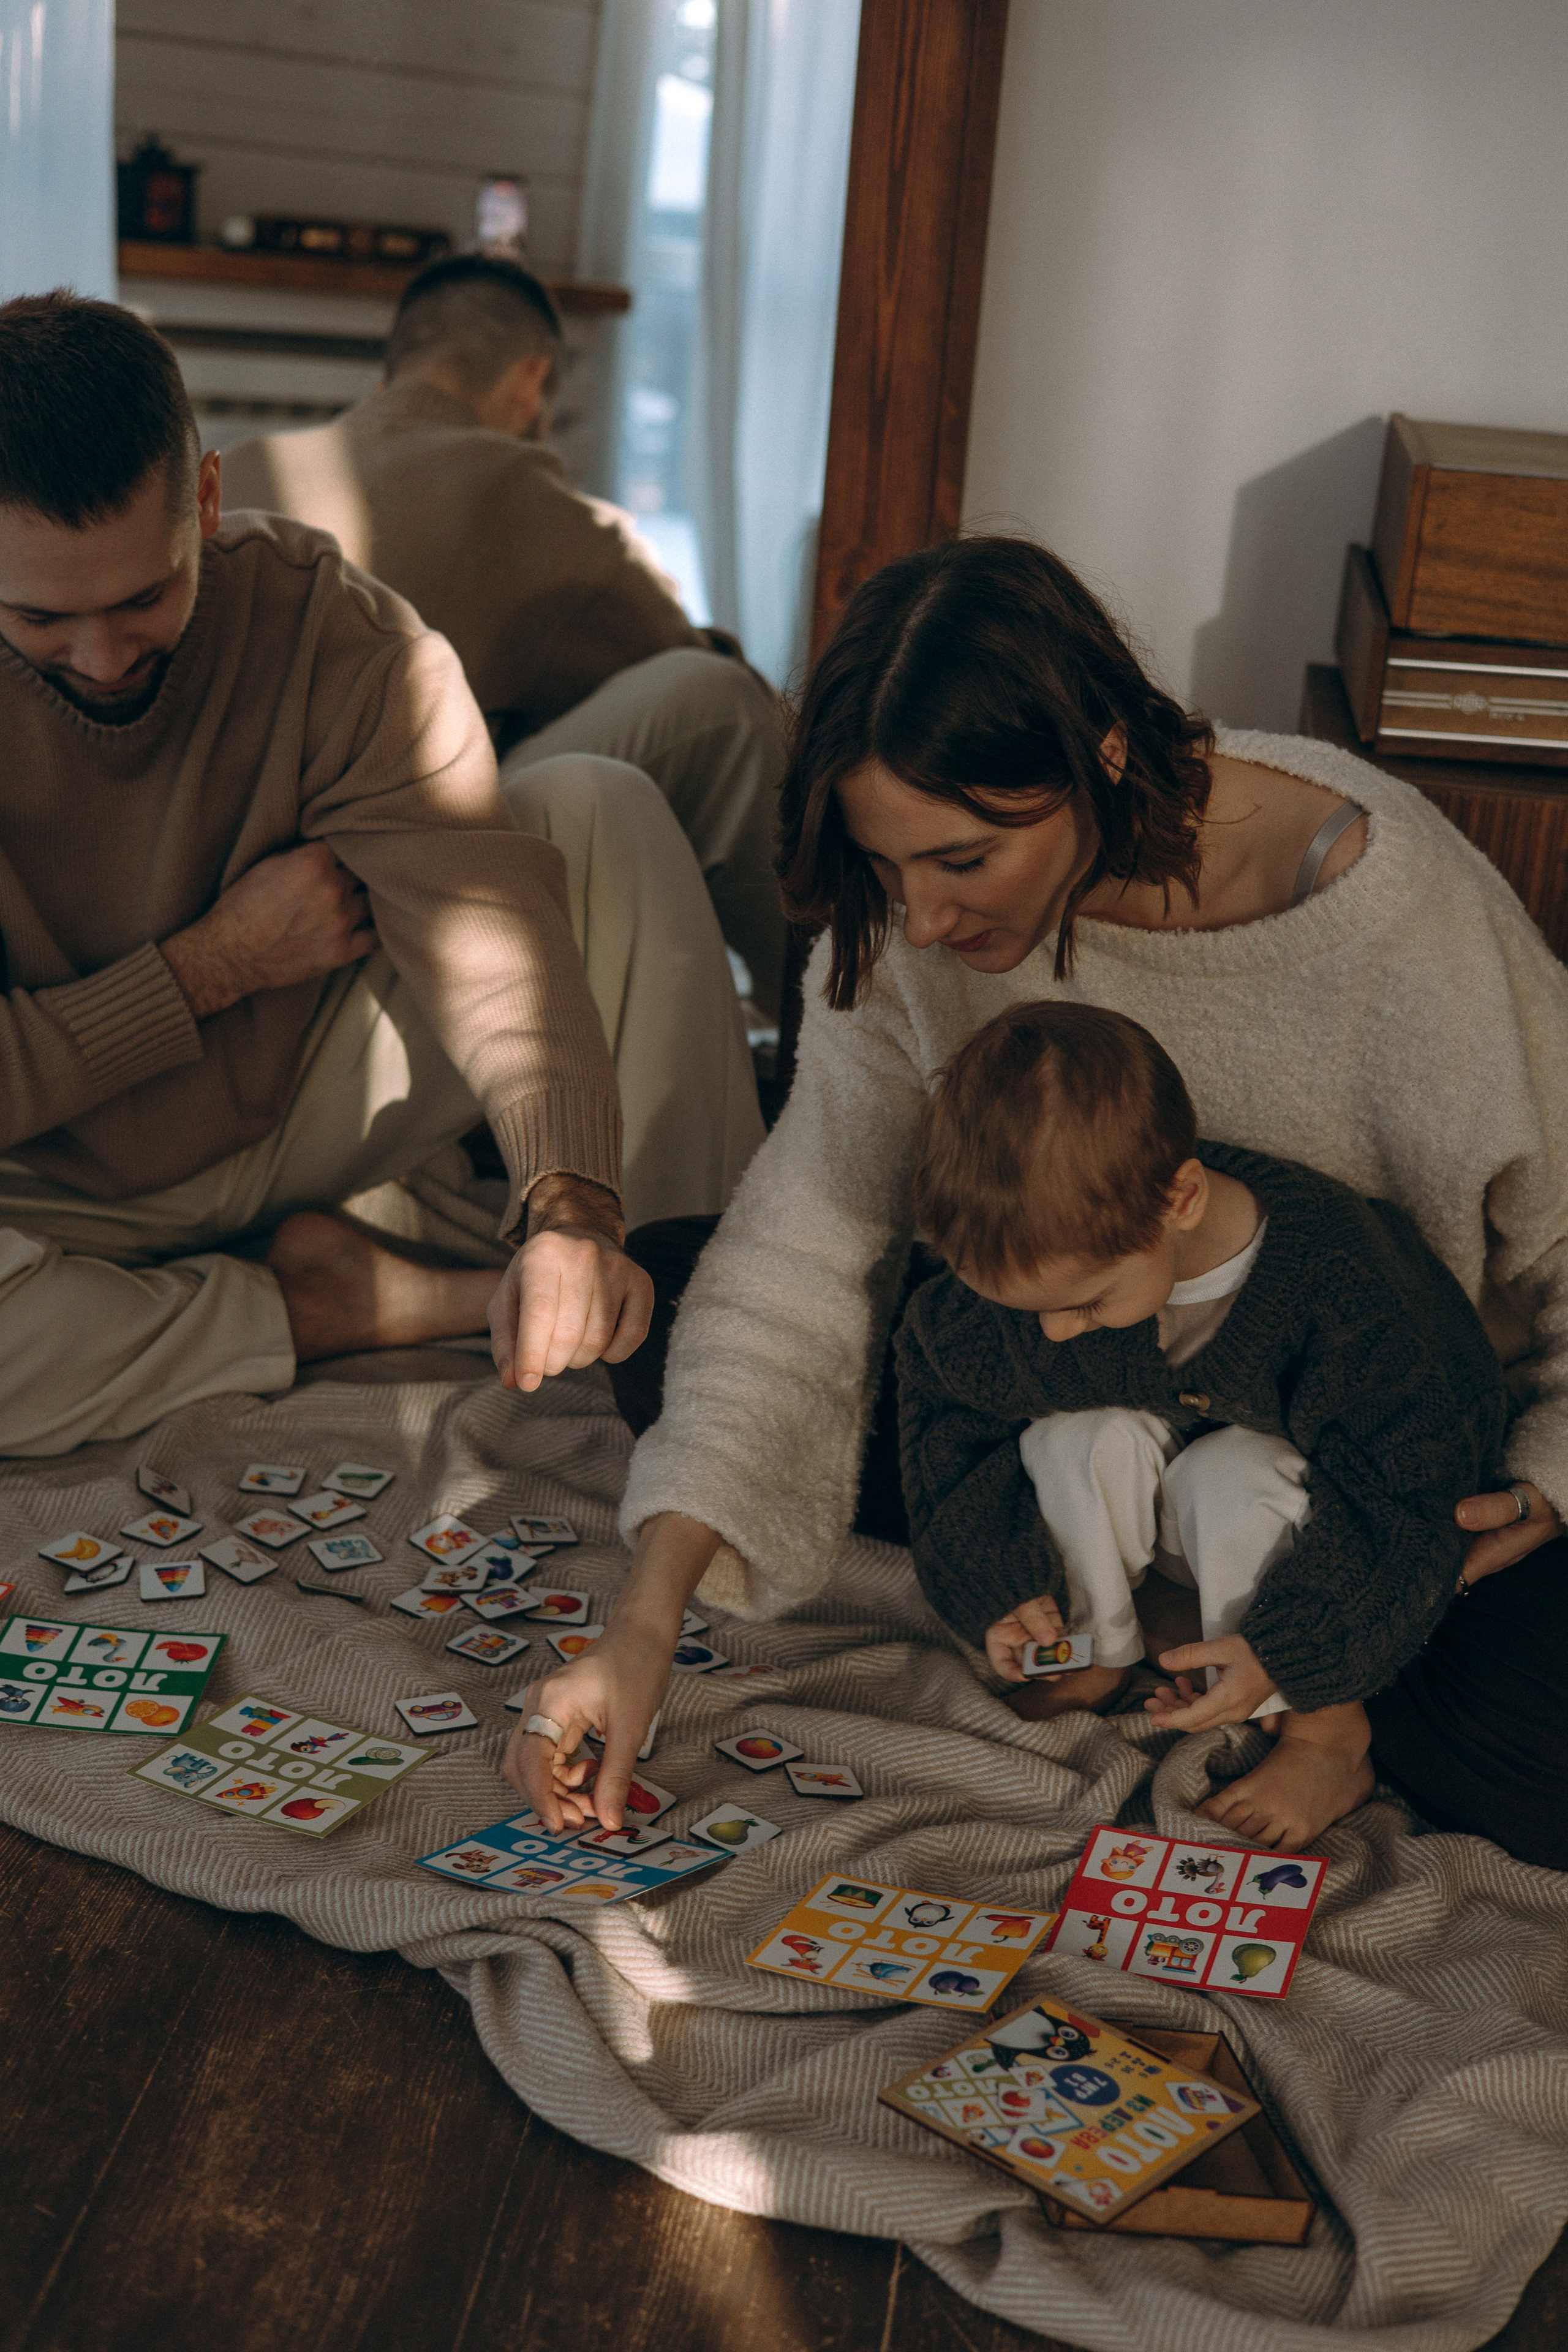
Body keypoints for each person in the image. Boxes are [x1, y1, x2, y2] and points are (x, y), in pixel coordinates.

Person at [508, 533, 1568, 1874]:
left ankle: (1285, 1651)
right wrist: (641, 1630)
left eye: (960, 861)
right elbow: (808, 1242)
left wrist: (1548, 1468)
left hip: (1361, 1445)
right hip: (1059, 1372)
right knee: (681, 1298)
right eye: (887, 870)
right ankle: (1098, 1595)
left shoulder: (1392, 911)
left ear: (1100, 762)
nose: (924, 920)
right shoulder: (906, 920)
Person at [0, 287, 748, 1452]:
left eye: (146, 596)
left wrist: (570, 1201)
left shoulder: (333, 628)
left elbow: (488, 928)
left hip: (299, 1104)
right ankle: (329, 1301)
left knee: (593, 809)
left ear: (206, 499)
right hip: (44, 1174)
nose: (100, 655)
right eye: (41, 618)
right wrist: (206, 969)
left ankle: (709, 1323)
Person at [895, 1000, 1512, 1849]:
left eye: (1083, 1304)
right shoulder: (1052, 1254)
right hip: (1166, 1532)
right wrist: (1000, 1579)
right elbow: (946, 1401)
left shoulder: (1343, 1283)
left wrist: (1295, 1651)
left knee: (1234, 1478)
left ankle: (1329, 1732)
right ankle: (1095, 1649)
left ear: (1179, 1200)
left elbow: (1407, 1486)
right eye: (1030, 1311)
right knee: (1072, 1439)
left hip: (1319, 1541)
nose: (1053, 1334)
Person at [221, 253, 790, 1017]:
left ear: (389, 376)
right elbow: (683, 665)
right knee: (721, 706)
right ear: (531, 382)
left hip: (248, 900)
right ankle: (816, 1012)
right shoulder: (518, 488)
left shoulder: (241, 471)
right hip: (381, 911)